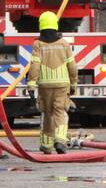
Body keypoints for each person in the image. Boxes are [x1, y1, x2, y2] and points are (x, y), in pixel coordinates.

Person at [27, 11, 77, 154]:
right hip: (62, 85)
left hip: (44, 85)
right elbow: (72, 67)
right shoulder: (64, 44)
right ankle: (60, 141)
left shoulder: (38, 44)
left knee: (47, 113)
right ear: (56, 25)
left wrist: (31, 85)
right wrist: (73, 84)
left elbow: (35, 65)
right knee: (59, 112)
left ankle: (46, 145)